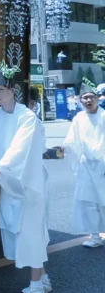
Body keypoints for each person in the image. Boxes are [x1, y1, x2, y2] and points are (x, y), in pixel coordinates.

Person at [0, 62, 50, 293]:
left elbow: (20, 149)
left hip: (29, 185)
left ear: (12, 90)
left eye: (0, 90)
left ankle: (36, 287)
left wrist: (1, 168)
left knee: (31, 234)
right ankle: (43, 279)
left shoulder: (27, 118)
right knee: (20, 233)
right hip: (9, 182)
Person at [61, 82, 105, 248]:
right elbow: (72, 139)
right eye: (85, 98)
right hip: (86, 166)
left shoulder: (104, 116)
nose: (88, 100)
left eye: (91, 97)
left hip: (103, 165)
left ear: (96, 99)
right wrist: (64, 146)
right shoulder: (78, 118)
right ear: (80, 100)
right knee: (89, 203)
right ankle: (95, 237)